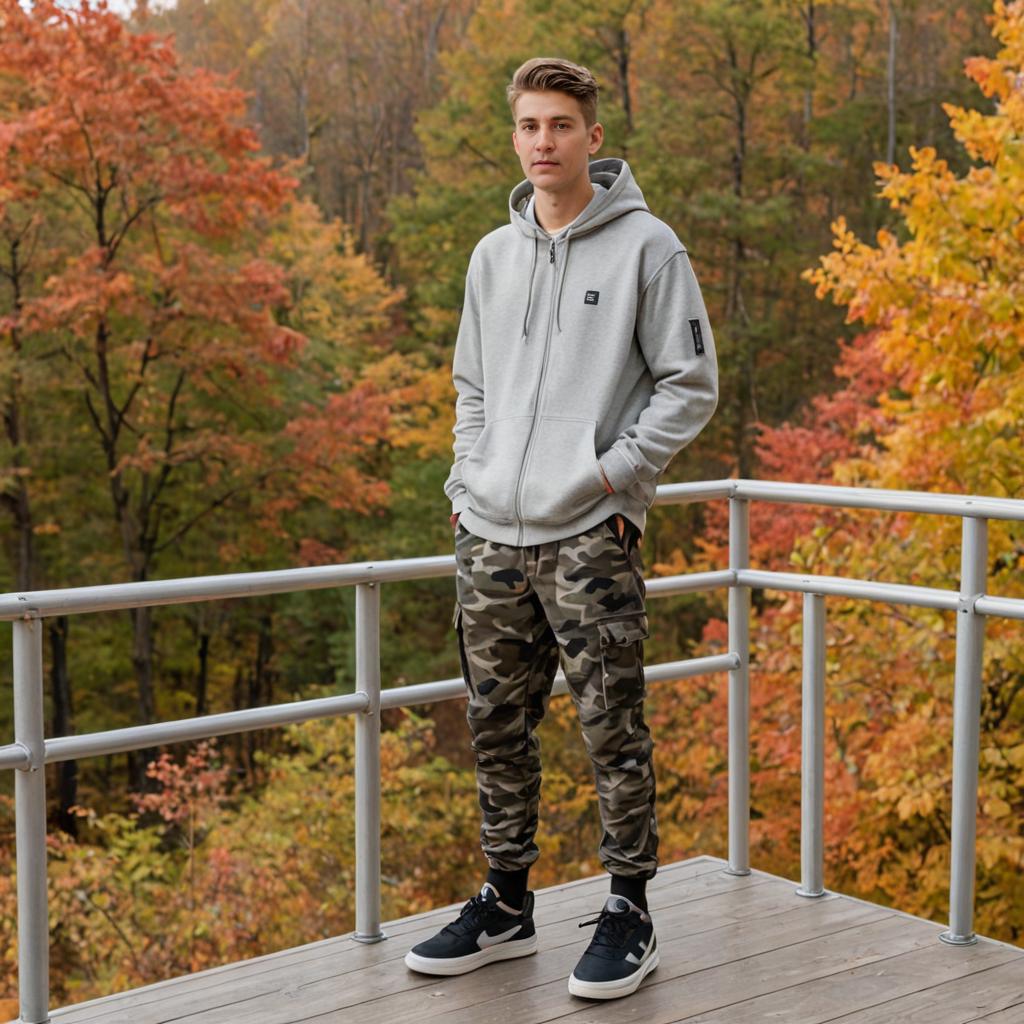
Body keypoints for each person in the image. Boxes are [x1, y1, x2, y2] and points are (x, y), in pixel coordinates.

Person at [403, 56, 718, 1000]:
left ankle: (629, 909)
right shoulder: (490, 258)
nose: (544, 142)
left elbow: (689, 386)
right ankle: (505, 901)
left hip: (589, 533)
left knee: (609, 723)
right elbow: (471, 385)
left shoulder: (647, 248)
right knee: (496, 725)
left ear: (594, 137)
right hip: (490, 530)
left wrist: (613, 475)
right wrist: (468, 480)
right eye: (530, 127)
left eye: (561, 126)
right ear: (516, 138)